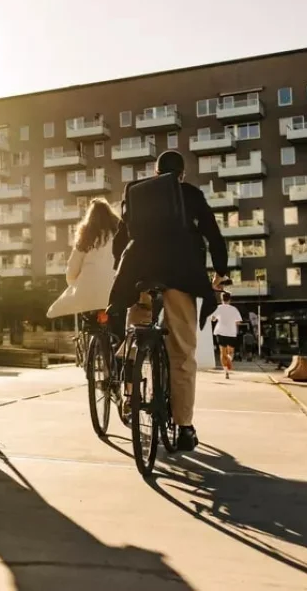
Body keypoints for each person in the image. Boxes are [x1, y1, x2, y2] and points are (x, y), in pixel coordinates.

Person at [109, 150, 228, 451]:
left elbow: (121, 239)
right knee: (183, 353)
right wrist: (221, 273)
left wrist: (120, 271)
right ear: (182, 174)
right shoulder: (190, 194)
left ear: (155, 171)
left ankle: (128, 396)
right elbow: (213, 235)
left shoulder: (138, 194)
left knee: (134, 337)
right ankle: (184, 426)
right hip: (180, 275)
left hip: (139, 275)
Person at [47, 198, 121, 321]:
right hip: (115, 293)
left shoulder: (85, 238)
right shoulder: (120, 236)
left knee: (89, 322)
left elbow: (72, 271)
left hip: (88, 296)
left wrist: (76, 285)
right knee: (118, 328)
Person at [210, 292, 242, 378]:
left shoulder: (218, 308)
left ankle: (226, 372)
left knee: (222, 352)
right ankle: (229, 358)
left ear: (221, 299)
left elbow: (212, 319)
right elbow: (238, 322)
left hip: (220, 332)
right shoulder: (234, 309)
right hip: (231, 332)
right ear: (230, 299)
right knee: (230, 352)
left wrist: (216, 318)